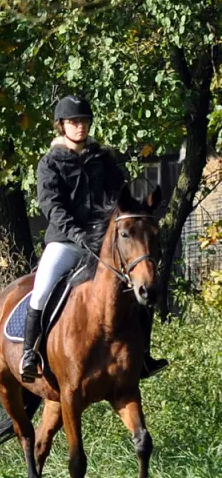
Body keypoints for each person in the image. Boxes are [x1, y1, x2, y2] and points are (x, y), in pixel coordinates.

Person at [20, 95, 169, 382]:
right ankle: (30, 353)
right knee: (42, 289)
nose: (80, 127)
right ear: (61, 126)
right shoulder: (49, 163)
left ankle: (143, 357)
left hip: (105, 244)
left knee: (136, 289)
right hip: (65, 242)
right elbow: (52, 206)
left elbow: (119, 198)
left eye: (84, 121)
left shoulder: (103, 159)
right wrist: (77, 234)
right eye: (74, 122)